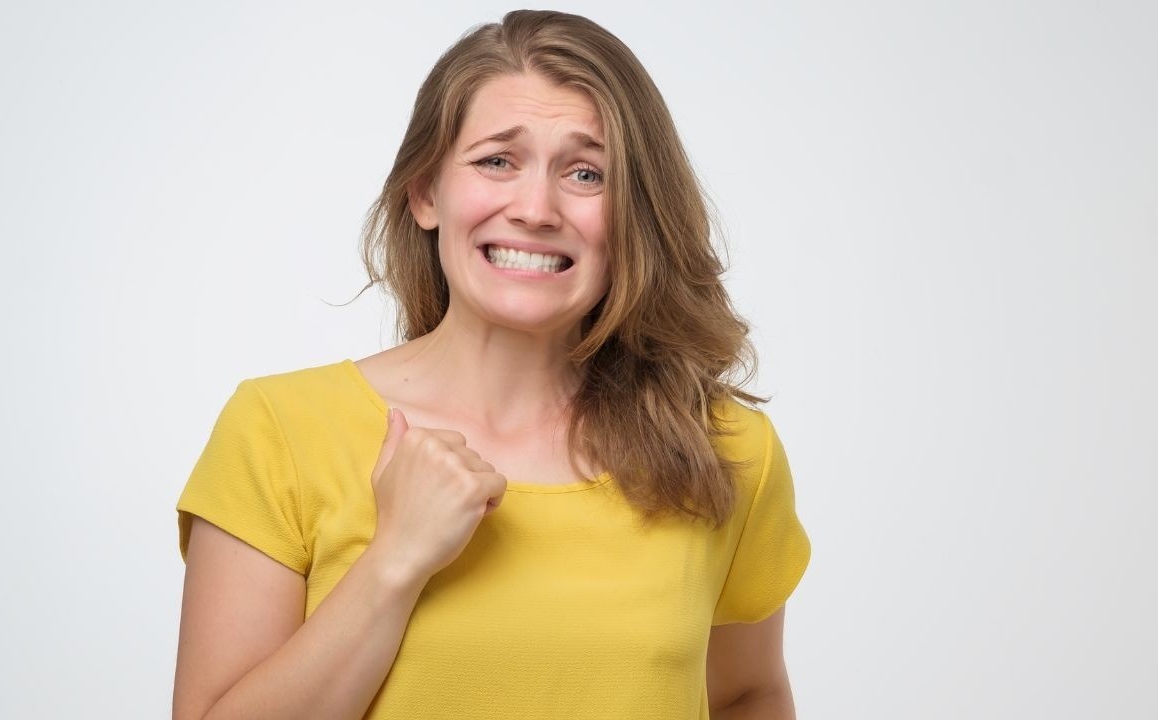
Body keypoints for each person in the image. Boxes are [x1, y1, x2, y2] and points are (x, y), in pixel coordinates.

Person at [172, 9, 810, 720]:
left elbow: (749, 694)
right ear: (425, 193)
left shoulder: (721, 451)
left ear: (635, 212)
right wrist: (395, 561)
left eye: (586, 172)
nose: (536, 208)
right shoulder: (278, 433)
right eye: (497, 161)